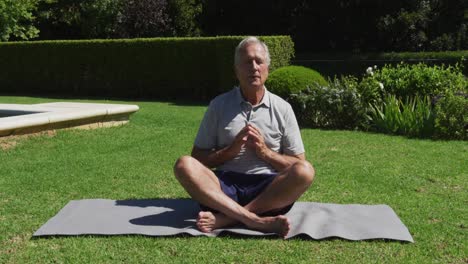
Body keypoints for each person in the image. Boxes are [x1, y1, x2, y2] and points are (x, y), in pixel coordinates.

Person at [174, 36, 315, 238]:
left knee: (305, 171)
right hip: (223, 189)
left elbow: (297, 165)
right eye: (247, 62)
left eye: (259, 61)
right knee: (183, 164)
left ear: (267, 67)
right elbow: (197, 159)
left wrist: (266, 153)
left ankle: (227, 219)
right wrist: (229, 152)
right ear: (236, 70)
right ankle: (255, 220)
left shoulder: (283, 109)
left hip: (268, 190)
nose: (254, 67)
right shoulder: (219, 106)